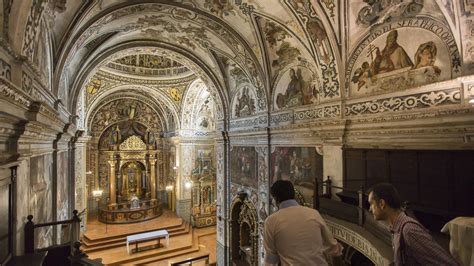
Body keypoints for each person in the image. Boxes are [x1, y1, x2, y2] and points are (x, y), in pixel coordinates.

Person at [368, 183, 458, 266]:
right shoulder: (396, 228)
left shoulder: (409, 230)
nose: (369, 209)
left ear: (382, 204)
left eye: (371, 204)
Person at [263, 180, 342, 265]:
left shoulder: (271, 221)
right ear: (293, 194)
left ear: (275, 199)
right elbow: (334, 248)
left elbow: (271, 259)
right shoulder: (313, 213)